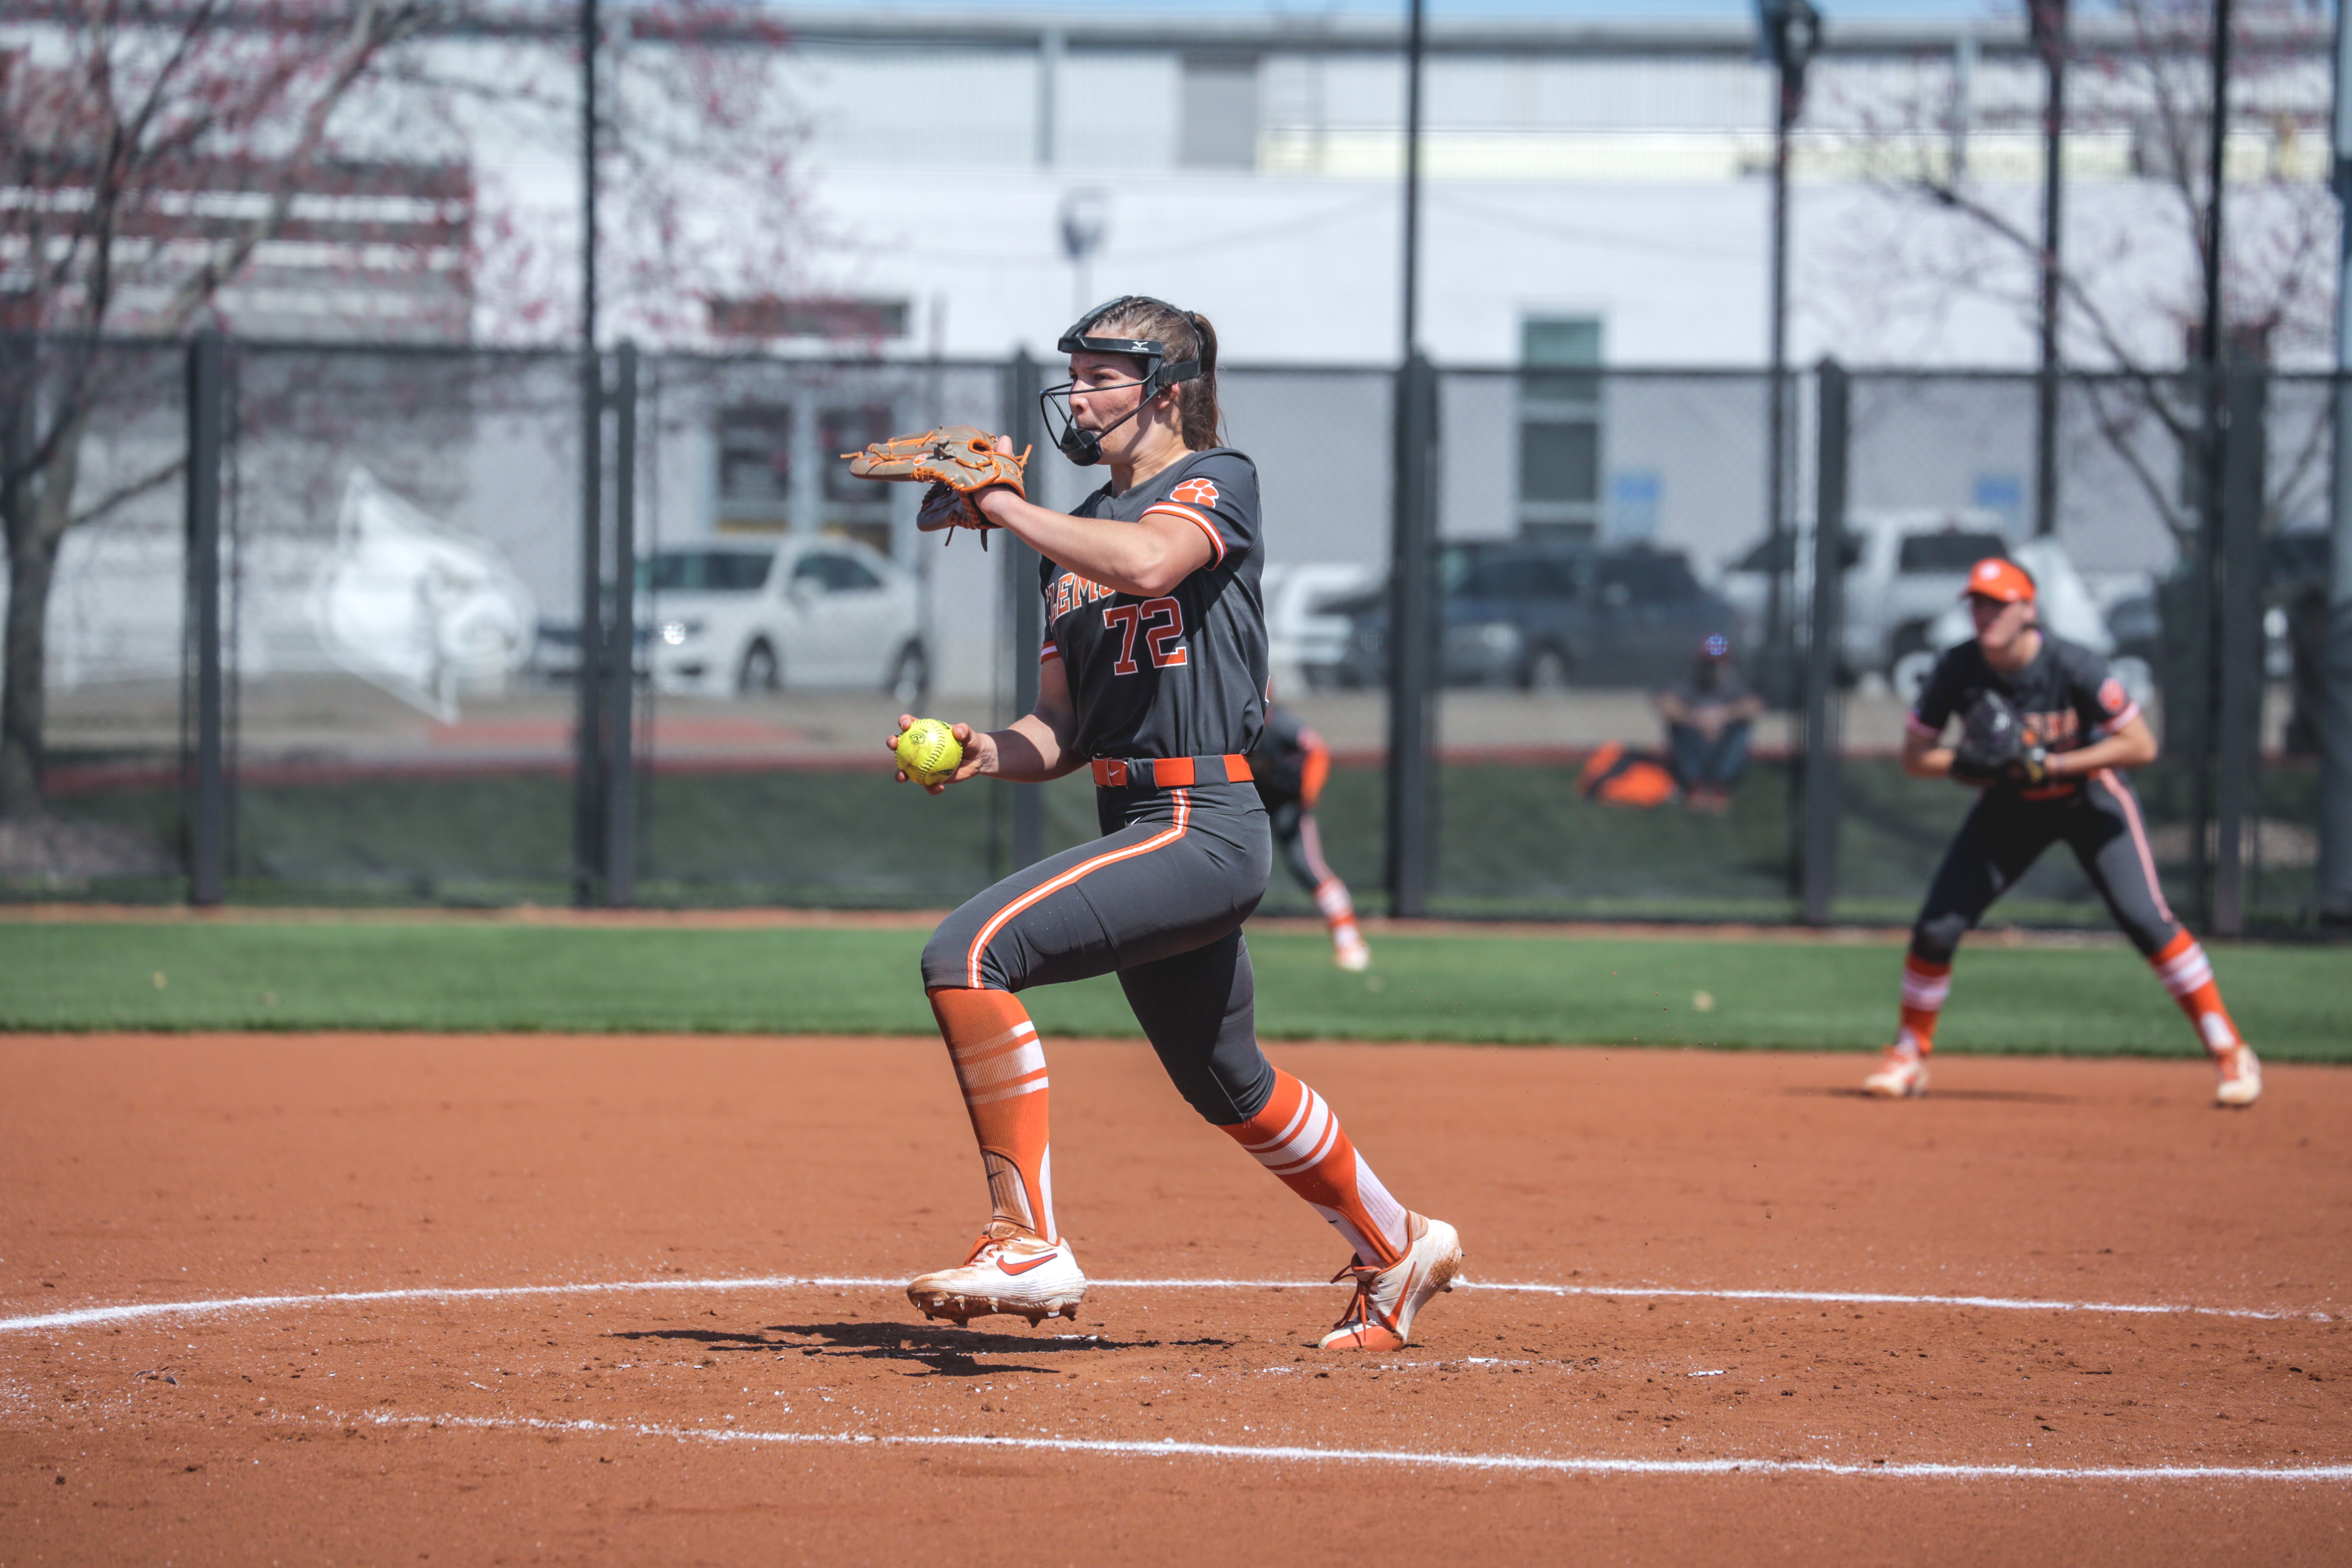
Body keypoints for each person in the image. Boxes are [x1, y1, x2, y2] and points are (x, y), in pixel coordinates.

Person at [880, 296, 1463, 1348]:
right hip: (1137, 814)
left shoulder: (1214, 480)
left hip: (1202, 820)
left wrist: (1002, 507)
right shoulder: (1069, 553)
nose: (1080, 393)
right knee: (1222, 1077)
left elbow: (1151, 563)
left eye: (1104, 373)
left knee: (965, 953)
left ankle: (1024, 1239)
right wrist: (981, 751)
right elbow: (1058, 731)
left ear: (1170, 388)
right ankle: (1397, 1242)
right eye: (1079, 372)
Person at [1864, 557, 2261, 1107]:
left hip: (2089, 798)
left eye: (1999, 604)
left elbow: (2141, 745)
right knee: (1936, 928)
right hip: (2010, 806)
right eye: (1978, 603)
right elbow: (1915, 758)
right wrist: (1973, 763)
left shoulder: (2072, 664)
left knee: (2147, 921)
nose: (1986, 614)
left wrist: (2051, 766)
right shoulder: (1956, 669)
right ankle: (1908, 1054)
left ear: (2028, 609)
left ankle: (2230, 1050)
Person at [1251, 702, 1371, 969]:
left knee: (1309, 869)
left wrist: (1307, 795)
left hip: (1287, 803)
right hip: (1249, 801)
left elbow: (1317, 749)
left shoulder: (1279, 723)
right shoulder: (1229, 723)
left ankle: (1349, 940)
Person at [1653, 633, 1762, 814]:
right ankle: (1696, 787)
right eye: (1709, 662)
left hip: (1722, 749)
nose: (1714, 667)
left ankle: (1719, 787)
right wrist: (1695, 719)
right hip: (1695, 747)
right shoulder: (1690, 684)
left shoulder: (1733, 686)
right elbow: (1664, 704)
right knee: (1679, 727)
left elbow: (1755, 706)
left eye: (1719, 662)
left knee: (1740, 728)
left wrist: (1723, 717)